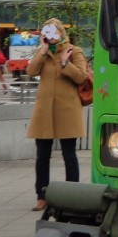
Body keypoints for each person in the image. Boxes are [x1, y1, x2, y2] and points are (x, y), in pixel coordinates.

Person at [25, 18, 88, 211]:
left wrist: (64, 63)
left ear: (61, 33)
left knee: (69, 154)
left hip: (67, 109)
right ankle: (41, 195)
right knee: (42, 155)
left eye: (54, 32)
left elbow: (81, 76)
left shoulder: (74, 51)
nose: (50, 36)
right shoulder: (42, 53)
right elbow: (30, 71)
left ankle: (71, 195)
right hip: (44, 110)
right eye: (47, 32)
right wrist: (42, 52)